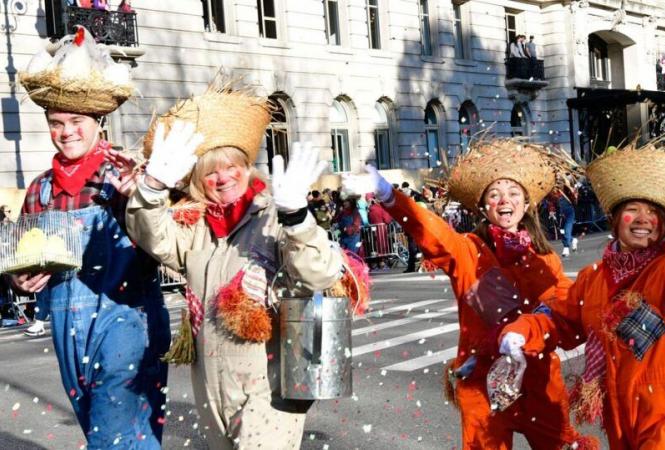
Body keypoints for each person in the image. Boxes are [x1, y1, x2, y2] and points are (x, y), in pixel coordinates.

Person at [125, 85, 348, 449]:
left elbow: (321, 274)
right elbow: (153, 236)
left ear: (247, 168)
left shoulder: (274, 217)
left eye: (232, 166)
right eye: (211, 172)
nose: (223, 177)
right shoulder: (195, 229)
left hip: (273, 386)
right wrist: (151, 188)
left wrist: (298, 219)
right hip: (211, 388)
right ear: (197, 181)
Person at [343, 139, 591, 449]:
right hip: (481, 381)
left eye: (514, 193)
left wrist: (530, 333)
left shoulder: (546, 259)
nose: (505, 201)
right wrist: (391, 197)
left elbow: (565, 312)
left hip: (538, 375)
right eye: (495, 194)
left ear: (526, 205)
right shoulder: (467, 250)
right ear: (484, 205)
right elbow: (432, 232)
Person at [16, 27, 169, 447]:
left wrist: (139, 198)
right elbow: (24, 260)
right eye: (56, 123)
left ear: (98, 122)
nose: (66, 132)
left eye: (76, 122)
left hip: (128, 321)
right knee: (122, 436)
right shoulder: (39, 190)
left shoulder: (125, 173)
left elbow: (166, 243)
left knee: (111, 435)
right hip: (68, 328)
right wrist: (20, 279)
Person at [500, 144, 665, 449]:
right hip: (619, 418)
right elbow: (559, 317)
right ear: (616, 219)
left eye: (654, 213)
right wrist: (520, 332)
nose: (643, 219)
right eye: (633, 210)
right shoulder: (593, 278)